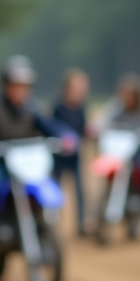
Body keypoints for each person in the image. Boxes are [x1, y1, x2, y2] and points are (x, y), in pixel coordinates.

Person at [0, 55, 77, 256]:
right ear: (5, 85)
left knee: (48, 182)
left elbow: (52, 126)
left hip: (27, 164)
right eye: (15, 85)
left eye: (24, 86)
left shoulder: (33, 108)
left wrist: (66, 136)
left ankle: (42, 222)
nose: (19, 90)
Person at [89, 73, 140, 222]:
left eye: (129, 94)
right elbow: (103, 120)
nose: (126, 98)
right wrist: (95, 129)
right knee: (104, 169)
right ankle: (103, 202)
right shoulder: (117, 105)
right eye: (123, 94)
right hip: (117, 150)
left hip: (136, 150)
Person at [51, 69, 89, 237]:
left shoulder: (81, 107)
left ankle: (82, 225)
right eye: (78, 86)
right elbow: (51, 127)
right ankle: (53, 225)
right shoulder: (58, 106)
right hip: (58, 157)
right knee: (55, 191)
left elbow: (83, 128)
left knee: (80, 191)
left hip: (75, 156)